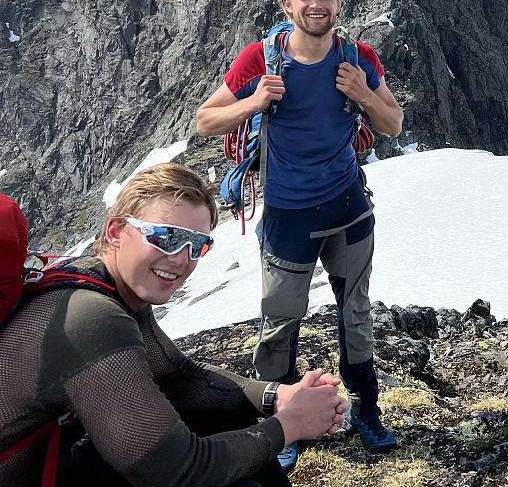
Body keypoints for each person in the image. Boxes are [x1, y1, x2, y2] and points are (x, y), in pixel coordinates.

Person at [0, 163, 349, 487]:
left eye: (198, 245)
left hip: (55, 460)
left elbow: (177, 374)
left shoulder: (105, 282)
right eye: (165, 236)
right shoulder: (90, 316)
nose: (182, 258)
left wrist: (278, 397)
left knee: (221, 416)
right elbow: (177, 472)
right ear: (116, 231)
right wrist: (291, 425)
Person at [197, 0, 404, 461]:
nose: (318, 5)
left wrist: (364, 93)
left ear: (339, 1)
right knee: (280, 324)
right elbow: (206, 120)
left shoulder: (357, 58)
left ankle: (367, 412)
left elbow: (393, 123)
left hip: (349, 208)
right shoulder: (260, 60)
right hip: (288, 214)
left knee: (355, 314)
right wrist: (253, 101)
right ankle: (283, 427)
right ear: (287, 4)